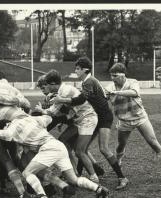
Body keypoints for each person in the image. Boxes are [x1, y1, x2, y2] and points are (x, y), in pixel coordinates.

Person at [0, 114, 110, 198]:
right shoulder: (30, 119)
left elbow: (7, 135)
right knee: (73, 179)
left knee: (27, 172)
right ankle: (99, 189)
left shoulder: (11, 127)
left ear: (6, 124)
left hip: (49, 148)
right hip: (59, 146)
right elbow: (48, 119)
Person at [53, 57, 129, 190]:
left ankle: (122, 178)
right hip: (96, 117)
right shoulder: (87, 81)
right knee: (82, 149)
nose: (75, 71)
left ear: (85, 69)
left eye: (78, 69)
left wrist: (62, 99)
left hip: (104, 117)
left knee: (103, 149)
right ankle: (86, 173)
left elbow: (80, 100)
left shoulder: (89, 81)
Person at [105, 62, 161, 183]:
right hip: (124, 121)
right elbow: (103, 99)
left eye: (115, 76)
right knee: (121, 145)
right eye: (111, 76)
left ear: (122, 75)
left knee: (153, 143)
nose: (112, 79)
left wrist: (116, 93)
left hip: (140, 118)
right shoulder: (109, 87)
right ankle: (118, 164)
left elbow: (135, 92)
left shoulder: (132, 82)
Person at [35, 69, 100, 183]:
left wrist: (40, 110)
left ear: (53, 84)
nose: (46, 89)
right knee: (65, 143)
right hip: (79, 120)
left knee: (80, 151)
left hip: (87, 119)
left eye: (46, 86)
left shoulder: (63, 92)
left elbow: (53, 112)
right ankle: (74, 173)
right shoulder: (62, 90)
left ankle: (94, 177)